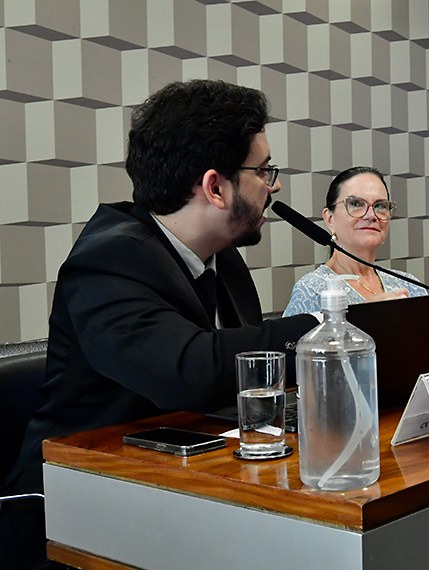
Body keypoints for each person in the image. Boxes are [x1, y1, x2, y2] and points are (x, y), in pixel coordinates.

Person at [0, 79, 319, 567]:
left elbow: (242, 381)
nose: (273, 185)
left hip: (176, 475)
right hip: (73, 502)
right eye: (263, 170)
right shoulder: (110, 258)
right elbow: (188, 372)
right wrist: (324, 327)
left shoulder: (224, 259)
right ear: (215, 186)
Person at [283, 166, 424, 315]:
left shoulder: (409, 284)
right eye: (356, 204)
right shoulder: (311, 291)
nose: (371, 215)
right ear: (330, 219)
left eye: (380, 206)